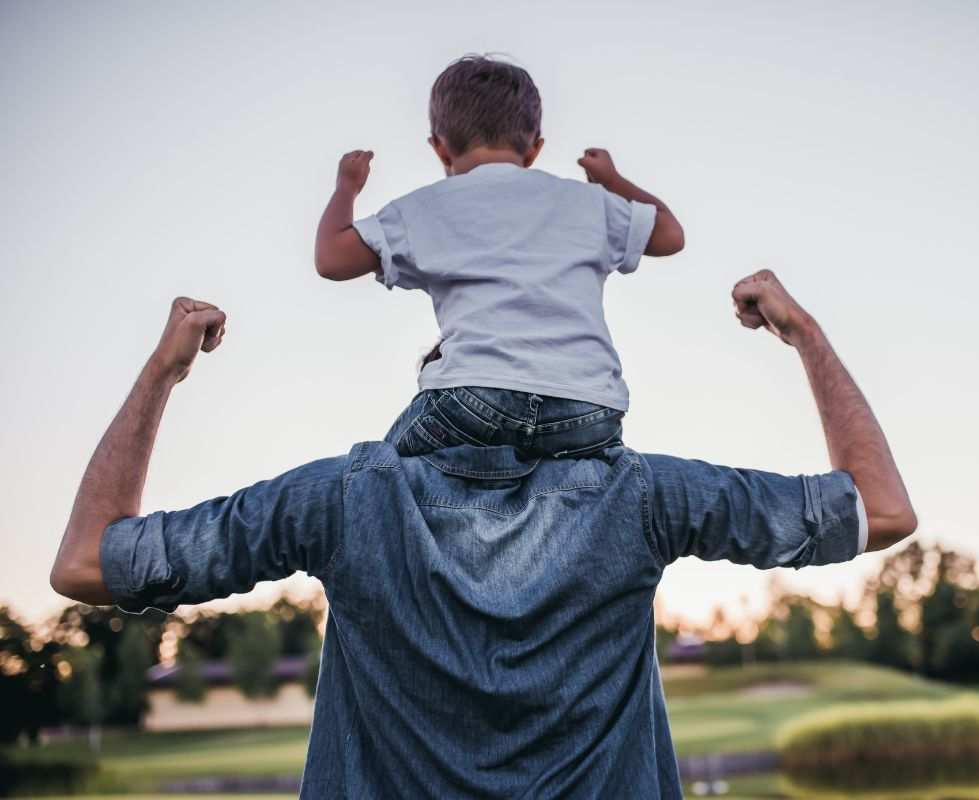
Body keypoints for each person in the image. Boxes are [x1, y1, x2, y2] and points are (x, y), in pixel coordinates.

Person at [49, 270, 917, 799]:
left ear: (432, 386)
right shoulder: (643, 497)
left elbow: (88, 561)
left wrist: (165, 370)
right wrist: (803, 333)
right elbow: (881, 510)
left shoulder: (341, 500)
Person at [314, 54, 686, 460]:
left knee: (380, 474)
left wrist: (346, 187)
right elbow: (670, 235)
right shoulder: (588, 202)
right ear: (535, 149)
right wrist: (612, 180)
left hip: (475, 400)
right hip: (589, 409)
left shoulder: (425, 208)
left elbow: (331, 258)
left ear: (439, 148)